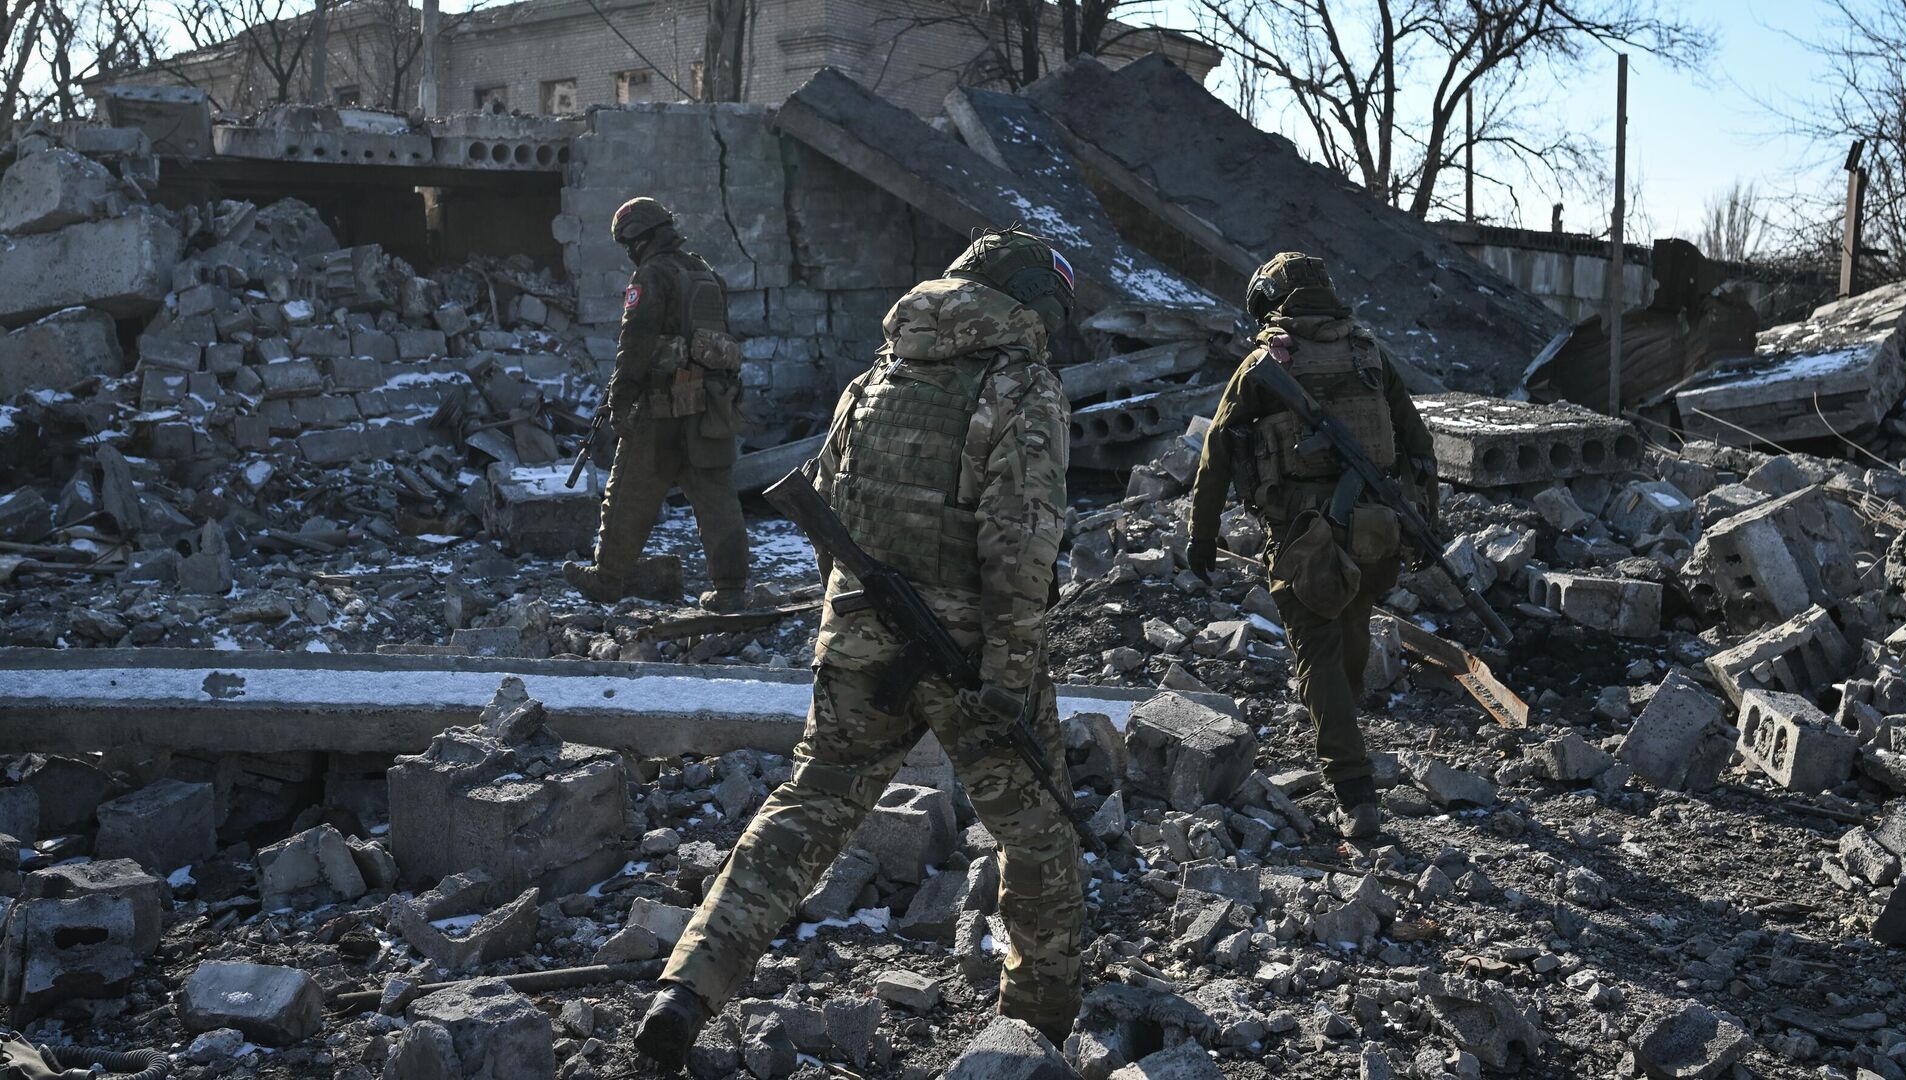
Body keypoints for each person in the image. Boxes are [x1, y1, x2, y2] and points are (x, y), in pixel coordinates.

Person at [634, 229, 1084, 1069]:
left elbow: (830, 507)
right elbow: (1020, 550)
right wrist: (1007, 676)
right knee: (1040, 836)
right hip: (967, 652)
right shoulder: (1021, 386)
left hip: (860, 633)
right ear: (1030, 307)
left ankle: (687, 986)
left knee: (807, 808)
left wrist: (848, 626)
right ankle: (1037, 1030)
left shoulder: (878, 375)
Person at [1186, 252, 1438, 840]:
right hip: (1375, 531)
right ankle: (1341, 720)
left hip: (1303, 535)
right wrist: (1425, 520)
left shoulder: (1265, 362)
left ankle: (1353, 791)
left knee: (1319, 653)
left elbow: (1217, 451)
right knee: (1350, 631)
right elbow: (1419, 446)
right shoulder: (1368, 353)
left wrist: (1202, 535)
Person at [563, 197, 750, 613]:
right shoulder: (705, 272)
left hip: (662, 407)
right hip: (709, 407)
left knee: (628, 493)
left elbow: (635, 344)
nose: (628, 253)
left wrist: (618, 402)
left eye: (628, 244)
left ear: (640, 239)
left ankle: (607, 578)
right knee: (718, 499)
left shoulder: (651, 275)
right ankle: (731, 589)